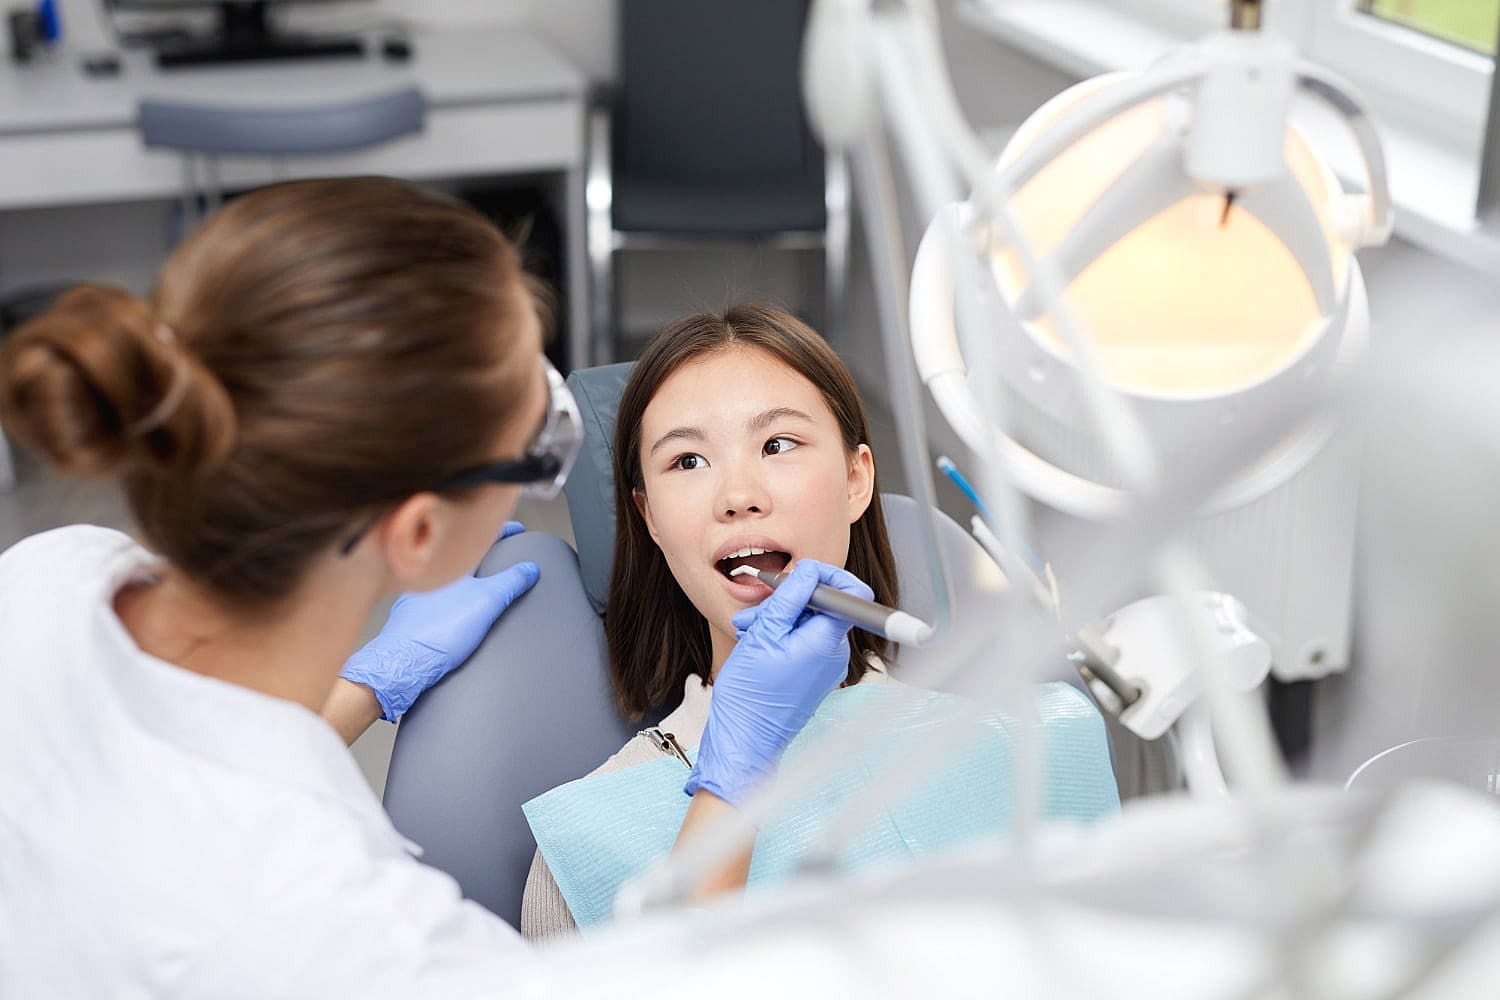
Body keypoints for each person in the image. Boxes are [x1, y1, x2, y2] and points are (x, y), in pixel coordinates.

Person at [0, 179, 871, 997]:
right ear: (418, 536)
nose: (737, 491)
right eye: (538, 441)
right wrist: (736, 779)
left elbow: (154, 796)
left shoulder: (46, 576)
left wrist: (355, 695)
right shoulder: (368, 938)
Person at [522, 304, 899, 940]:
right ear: (649, 518)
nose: (738, 494)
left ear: (856, 479)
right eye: (688, 461)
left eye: (778, 444)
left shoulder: (1007, 742)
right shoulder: (586, 837)